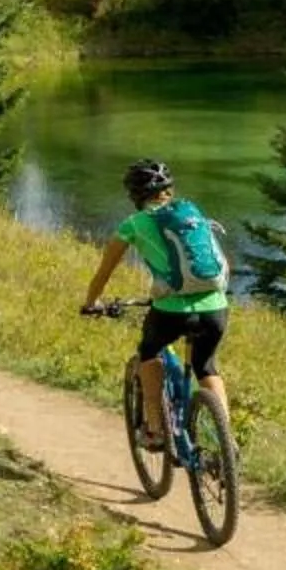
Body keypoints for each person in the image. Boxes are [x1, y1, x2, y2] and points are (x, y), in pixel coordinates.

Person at [78, 158, 230, 440]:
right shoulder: (191, 214)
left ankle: (155, 428)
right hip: (215, 306)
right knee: (206, 366)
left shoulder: (134, 224)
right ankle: (226, 439)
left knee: (149, 352)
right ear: (169, 191)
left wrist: (91, 303)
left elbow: (104, 272)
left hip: (171, 310)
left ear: (135, 195)